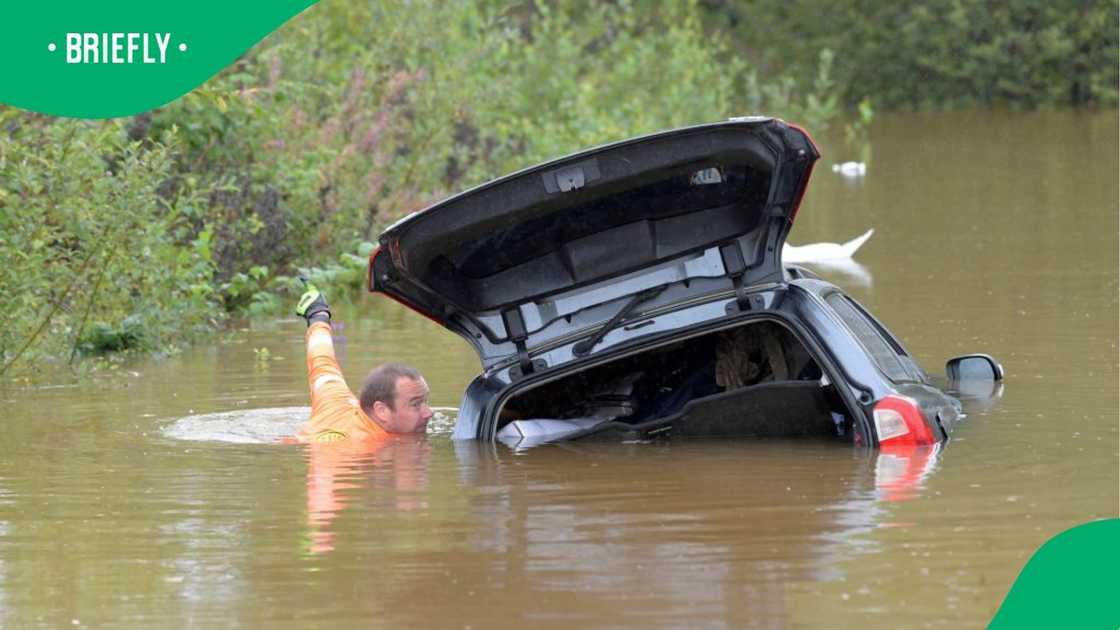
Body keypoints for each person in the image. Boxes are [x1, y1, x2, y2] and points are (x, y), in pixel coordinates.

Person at [293, 284, 434, 443]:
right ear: (381, 411)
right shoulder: (355, 446)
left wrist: (317, 314)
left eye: (425, 401)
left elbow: (322, 360)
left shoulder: (335, 401)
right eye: (415, 404)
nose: (429, 413)